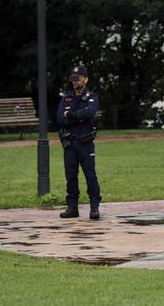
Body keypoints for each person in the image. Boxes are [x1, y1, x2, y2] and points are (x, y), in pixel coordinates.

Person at [56, 65, 102, 219]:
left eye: (79, 77)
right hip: (70, 144)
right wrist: (78, 117)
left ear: (86, 79)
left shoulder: (92, 97)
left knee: (90, 175)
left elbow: (90, 113)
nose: (75, 81)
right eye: (73, 78)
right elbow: (60, 119)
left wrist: (72, 115)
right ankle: (72, 207)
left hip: (85, 143)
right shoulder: (66, 98)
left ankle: (94, 207)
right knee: (70, 176)